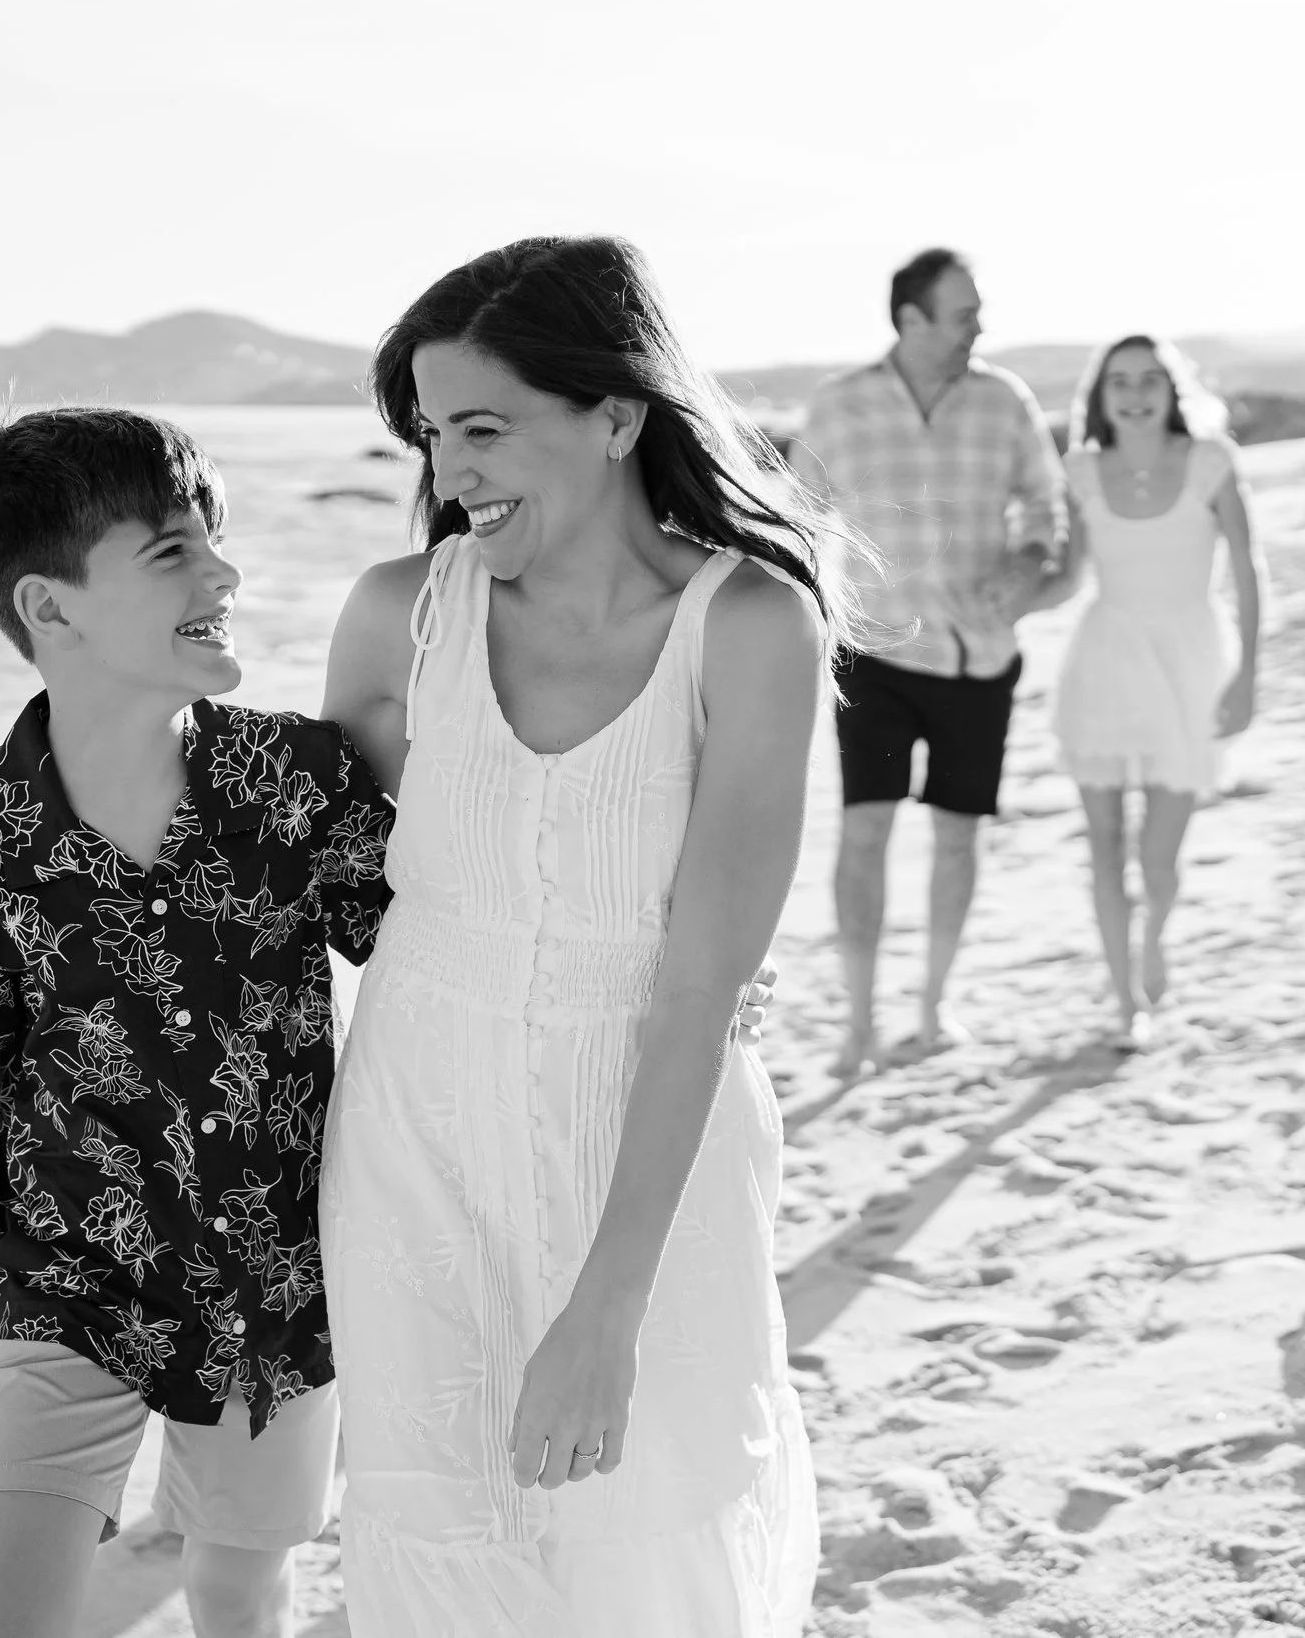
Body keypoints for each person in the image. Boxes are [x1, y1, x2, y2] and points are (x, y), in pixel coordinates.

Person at [316, 235, 860, 1635]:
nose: (450, 473)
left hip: (650, 1154)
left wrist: (605, 1309)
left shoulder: (749, 625)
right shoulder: (398, 616)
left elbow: (697, 987)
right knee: (439, 1541)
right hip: (414, 1146)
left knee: (646, 1544)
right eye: (433, 435)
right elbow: (326, 882)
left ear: (618, 413)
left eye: (485, 428)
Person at [0, 408, 394, 1638]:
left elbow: (440, 971)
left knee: (235, 1589)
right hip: (65, 1282)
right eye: (172, 550)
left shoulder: (301, 782)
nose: (223, 572)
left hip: (276, 1285)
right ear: (49, 609)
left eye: (215, 539)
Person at [785, 247, 1074, 1077]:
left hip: (978, 657)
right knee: (865, 833)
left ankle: (934, 1007)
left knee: (957, 838)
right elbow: (801, 525)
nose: (978, 328)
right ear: (910, 319)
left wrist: (1026, 564)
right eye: (963, 314)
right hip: (873, 655)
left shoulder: (1003, 400)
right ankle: (859, 1023)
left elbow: (1044, 501)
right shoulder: (840, 407)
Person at [1052, 335, 1262, 1048]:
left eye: (1149, 380)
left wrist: (1250, 673)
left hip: (1191, 663)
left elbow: (1247, 563)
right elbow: (1068, 573)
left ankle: (1155, 941)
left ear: (1173, 389)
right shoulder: (1080, 470)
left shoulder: (1211, 461)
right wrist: (1004, 598)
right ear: (1101, 397)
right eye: (1119, 383)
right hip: (1105, 661)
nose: (1135, 394)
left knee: (1159, 858)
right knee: (1106, 846)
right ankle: (1125, 1002)